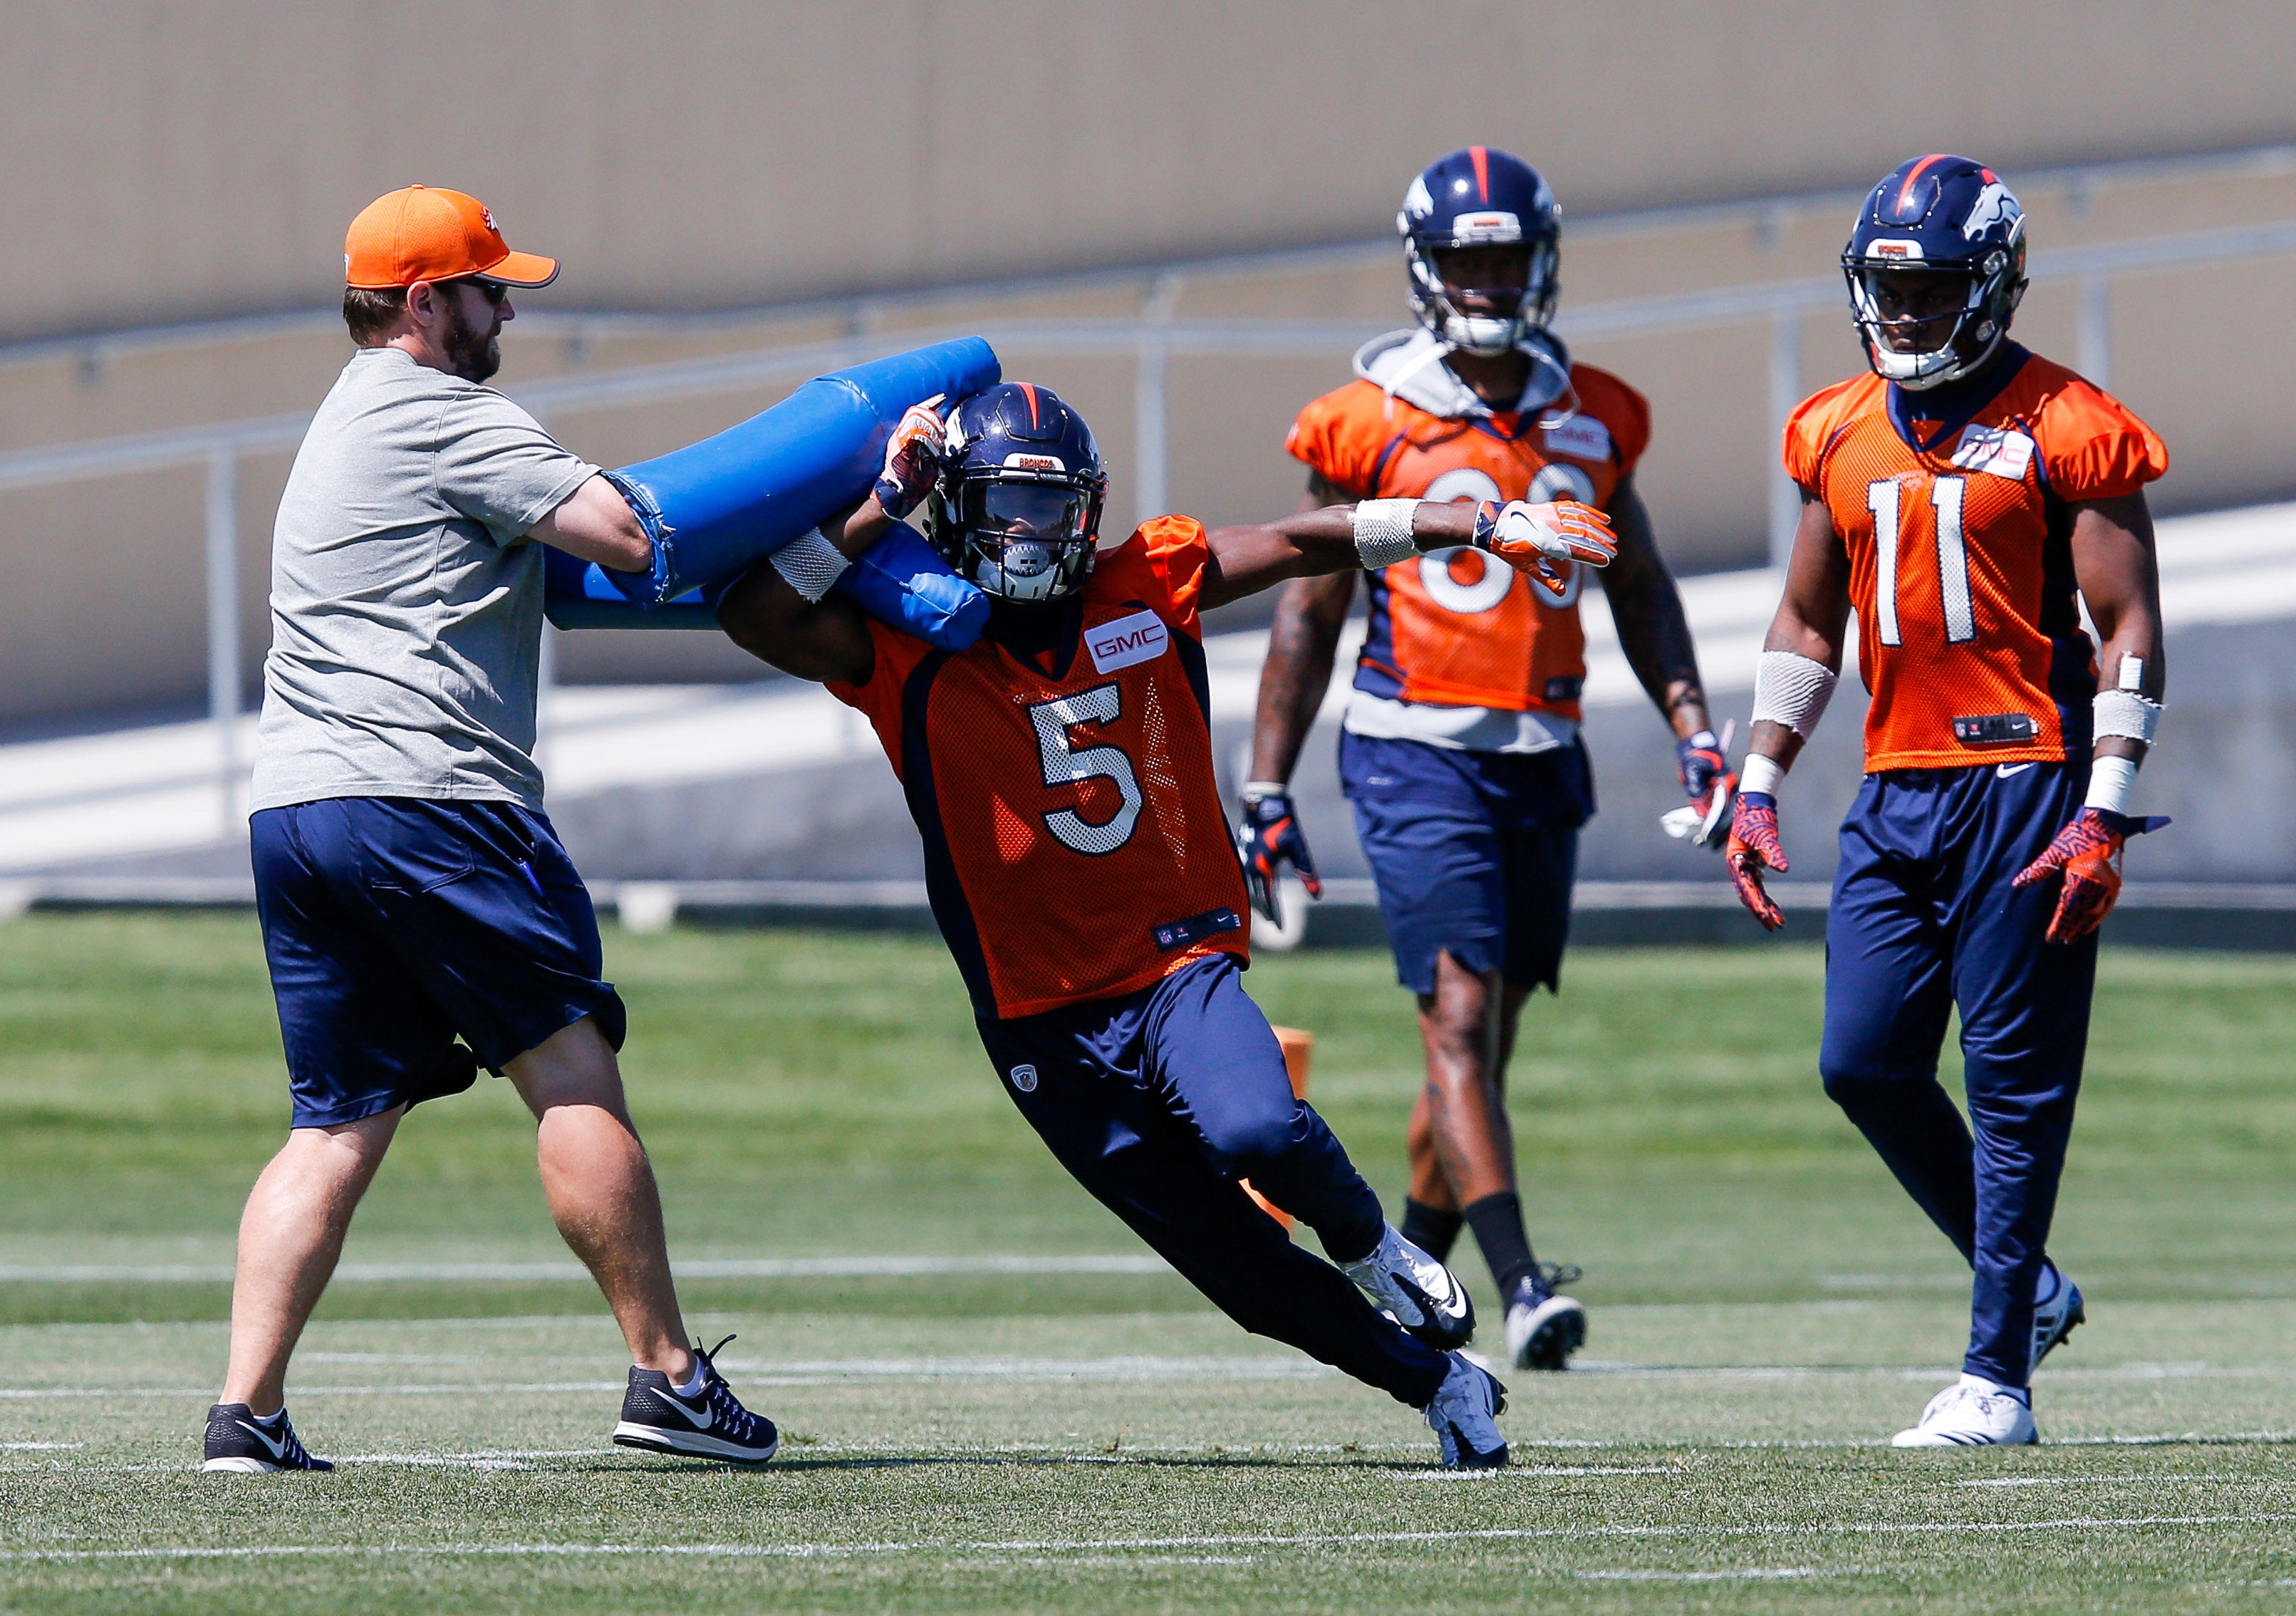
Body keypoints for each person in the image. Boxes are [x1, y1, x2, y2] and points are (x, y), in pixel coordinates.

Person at [720, 380, 1618, 1467]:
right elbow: (756, 613)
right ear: (950, 506)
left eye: (1052, 511)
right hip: (1034, 1013)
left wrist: (1474, 520)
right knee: (1237, 1270)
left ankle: (1371, 1240)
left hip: (1169, 962)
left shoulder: (1144, 577)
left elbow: (1299, 540)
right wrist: (879, 501)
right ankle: (1438, 1384)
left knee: (1256, 1129)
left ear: (1089, 514)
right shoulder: (904, 643)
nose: (1030, 533)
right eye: (1006, 504)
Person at [204, 186, 776, 1473]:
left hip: (299, 808)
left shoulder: (342, 417)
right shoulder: (442, 411)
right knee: (569, 1072)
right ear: (423, 303)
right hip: (432, 799)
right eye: (488, 287)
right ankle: (669, 1379)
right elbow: (624, 536)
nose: (506, 307)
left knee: (335, 1117)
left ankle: (246, 1410)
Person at [1245, 147, 1730, 1372]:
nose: (1485, 278)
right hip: (1412, 749)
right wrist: (1264, 781)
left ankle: (1407, 1268)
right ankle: (1519, 1288)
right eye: (1465, 257)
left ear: (1541, 261)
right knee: (1455, 1024)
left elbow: (1640, 582)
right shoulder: (1365, 417)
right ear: (1423, 267)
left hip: (1543, 748)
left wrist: (1694, 726)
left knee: (1483, 1052)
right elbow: (1305, 610)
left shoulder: (1598, 410)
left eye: (1504, 255)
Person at [1724, 156, 2169, 1447]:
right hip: (1897, 783)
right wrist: (1758, 782)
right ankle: (2027, 1284)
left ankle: (1996, 1378)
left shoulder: (2067, 421)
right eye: (1884, 287)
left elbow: (2126, 619)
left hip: (2028, 779)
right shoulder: (1834, 424)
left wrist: (2106, 808)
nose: (1902, 313)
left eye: (1927, 288)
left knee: (2013, 1080)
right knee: (1860, 1059)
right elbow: (1808, 617)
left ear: (1991, 285)